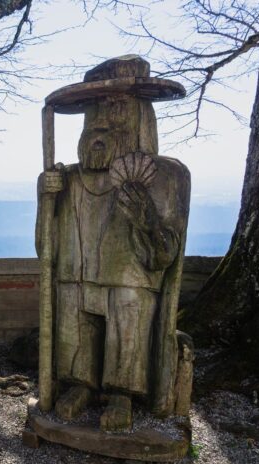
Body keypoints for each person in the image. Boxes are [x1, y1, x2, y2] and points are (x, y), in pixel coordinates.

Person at [35, 56, 191, 431]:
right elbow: (46, 247)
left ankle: (123, 394)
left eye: (116, 116)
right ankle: (79, 384)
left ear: (140, 120)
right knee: (74, 327)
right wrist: (46, 199)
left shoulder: (164, 176)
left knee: (128, 327)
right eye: (93, 120)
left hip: (129, 280)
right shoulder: (67, 179)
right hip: (75, 274)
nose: (100, 130)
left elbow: (165, 253)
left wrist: (144, 216)